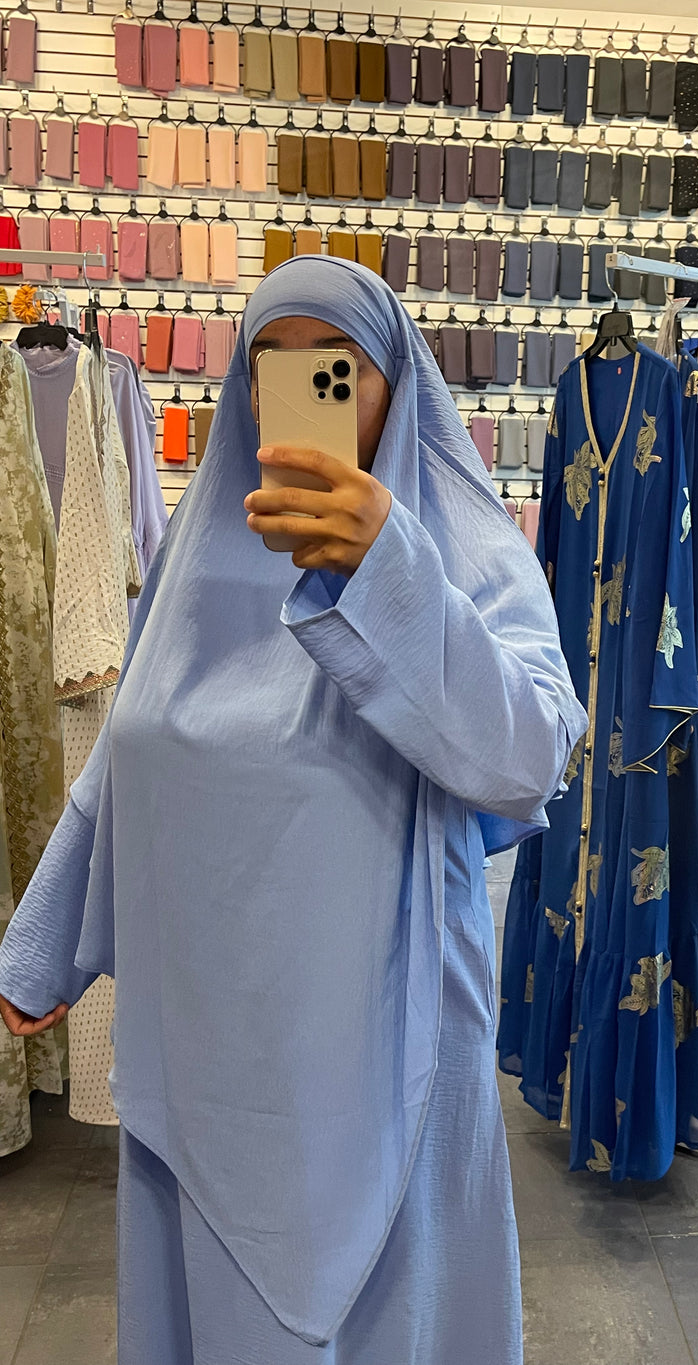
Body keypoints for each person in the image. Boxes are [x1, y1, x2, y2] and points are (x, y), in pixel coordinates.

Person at [0, 257, 587, 1365]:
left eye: (334, 369)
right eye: (270, 366)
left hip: (390, 1028)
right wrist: (44, 937)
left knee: (392, 1315)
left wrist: (387, 572)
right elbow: (131, 750)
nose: (299, 395)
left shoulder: (462, 549)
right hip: (210, 1037)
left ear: (393, 383)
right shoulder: (197, 564)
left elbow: (529, 758)